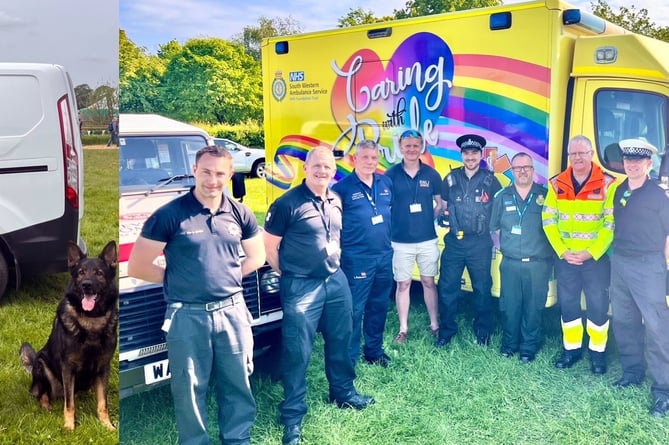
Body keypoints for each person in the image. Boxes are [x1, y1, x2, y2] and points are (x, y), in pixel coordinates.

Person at [127, 145, 265, 445]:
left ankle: (237, 438)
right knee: (189, 387)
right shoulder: (169, 214)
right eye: (206, 172)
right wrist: (180, 279)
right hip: (186, 315)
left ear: (230, 175)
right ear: (194, 171)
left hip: (232, 312)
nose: (212, 180)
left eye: (219, 173)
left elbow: (256, 257)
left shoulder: (240, 213)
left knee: (238, 381)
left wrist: (226, 276)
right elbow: (138, 266)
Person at [263, 146, 375, 445]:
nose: (322, 171)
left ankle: (343, 393)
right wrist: (291, 272)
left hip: (335, 281)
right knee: (298, 350)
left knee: (342, 337)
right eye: (316, 166)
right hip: (301, 285)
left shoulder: (335, 198)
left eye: (327, 167)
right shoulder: (287, 203)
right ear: (306, 168)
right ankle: (293, 415)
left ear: (332, 170)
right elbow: (270, 248)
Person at [542, 135, 616, 375]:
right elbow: (548, 219)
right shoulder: (557, 184)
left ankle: (597, 354)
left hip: (595, 260)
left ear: (591, 154)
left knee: (597, 305)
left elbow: (610, 225)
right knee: (569, 305)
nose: (577, 158)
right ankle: (571, 350)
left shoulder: (607, 183)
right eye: (573, 154)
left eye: (582, 153)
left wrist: (590, 253)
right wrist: (563, 251)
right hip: (566, 259)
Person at [608, 139, 669, 418]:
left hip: (648, 266)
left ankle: (664, 389)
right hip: (620, 263)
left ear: (648, 164)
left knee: (657, 328)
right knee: (624, 321)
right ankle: (632, 372)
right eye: (628, 160)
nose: (631, 164)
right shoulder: (620, 189)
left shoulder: (658, 196)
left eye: (638, 161)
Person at [436, 134, 502, 347]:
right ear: (461, 155)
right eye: (466, 153)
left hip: (480, 244)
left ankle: (483, 331)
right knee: (447, 287)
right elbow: (443, 206)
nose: (470, 157)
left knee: (482, 288)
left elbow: (499, 211)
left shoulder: (491, 181)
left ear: (481, 155)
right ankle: (446, 332)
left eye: (474, 153)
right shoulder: (451, 178)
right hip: (454, 243)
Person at [332, 140, 394, 368]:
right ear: (354, 159)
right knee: (355, 309)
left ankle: (374, 351)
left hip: (384, 256)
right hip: (357, 258)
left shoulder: (385, 183)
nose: (370, 162)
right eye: (365, 157)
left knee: (378, 305)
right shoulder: (342, 189)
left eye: (374, 158)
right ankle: (349, 356)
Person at [490, 153, 553, 362]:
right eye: (517, 168)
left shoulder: (546, 196)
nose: (522, 171)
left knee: (534, 307)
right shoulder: (502, 196)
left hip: (537, 264)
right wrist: (508, 249)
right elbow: (494, 229)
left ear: (533, 170)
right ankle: (509, 344)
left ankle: (528, 347)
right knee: (510, 306)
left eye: (526, 167)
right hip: (510, 264)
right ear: (512, 171)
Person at [384, 129, 442, 344]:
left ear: (422, 147)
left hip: (427, 239)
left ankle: (435, 324)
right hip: (400, 242)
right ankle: (403, 329)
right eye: (407, 145)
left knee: (428, 282)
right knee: (403, 284)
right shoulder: (390, 176)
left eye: (416, 145)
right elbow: (385, 206)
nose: (411, 149)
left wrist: (429, 218)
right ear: (400, 147)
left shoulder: (431, 174)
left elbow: (440, 204)